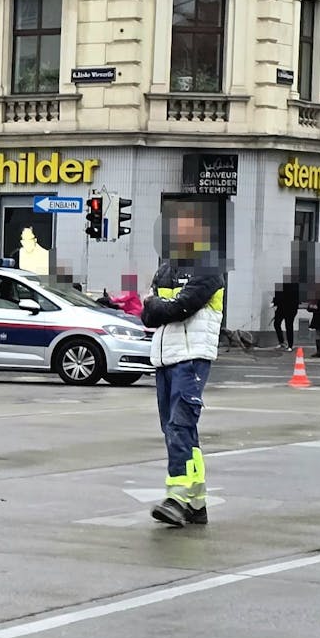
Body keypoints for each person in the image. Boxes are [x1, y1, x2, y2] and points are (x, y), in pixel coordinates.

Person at [140, 213, 225, 527]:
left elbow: (178, 308)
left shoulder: (209, 270)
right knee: (177, 429)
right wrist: (159, 308)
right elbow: (149, 314)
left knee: (179, 425)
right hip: (165, 359)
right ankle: (196, 502)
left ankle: (177, 498)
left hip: (192, 359)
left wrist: (160, 307)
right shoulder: (166, 270)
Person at [271, 280, 300, 350]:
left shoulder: (296, 286)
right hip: (281, 308)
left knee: (288, 326)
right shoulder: (281, 285)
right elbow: (277, 295)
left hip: (290, 309)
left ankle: (290, 345)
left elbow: (297, 299)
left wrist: (275, 302)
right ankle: (282, 342)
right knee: (276, 324)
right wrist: (274, 302)